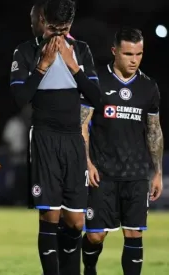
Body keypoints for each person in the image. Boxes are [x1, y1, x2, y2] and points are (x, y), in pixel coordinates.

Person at [9, 0, 101, 274]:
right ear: (43, 22)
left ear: (70, 26)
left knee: (75, 222)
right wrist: (43, 66)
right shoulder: (26, 51)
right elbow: (20, 99)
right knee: (49, 215)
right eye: (52, 29)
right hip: (44, 139)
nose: (57, 36)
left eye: (63, 29)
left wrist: (74, 67)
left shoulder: (81, 51)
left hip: (73, 139)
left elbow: (97, 98)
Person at [80, 27, 163, 275]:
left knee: (134, 233)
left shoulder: (149, 87)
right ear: (114, 51)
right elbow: (82, 124)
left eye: (139, 54)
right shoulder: (97, 80)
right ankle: (90, 268)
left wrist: (157, 171)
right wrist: (87, 163)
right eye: (128, 54)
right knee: (95, 236)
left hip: (136, 173)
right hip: (102, 172)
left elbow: (154, 130)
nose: (134, 60)